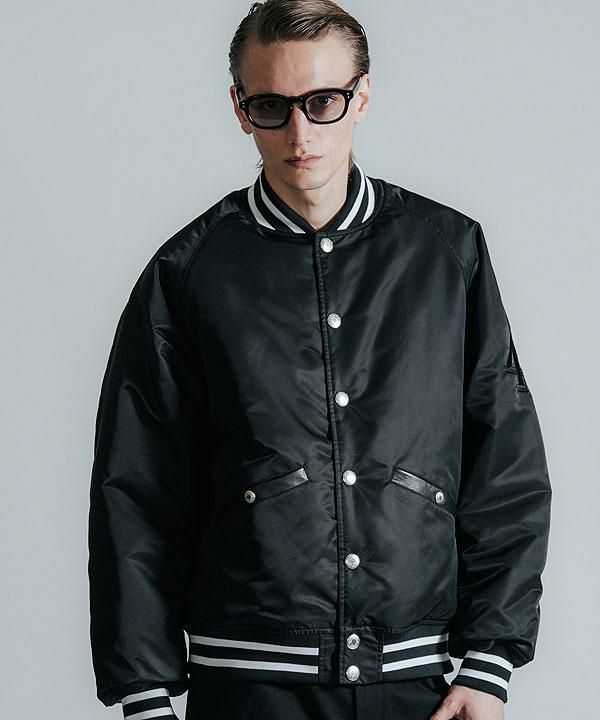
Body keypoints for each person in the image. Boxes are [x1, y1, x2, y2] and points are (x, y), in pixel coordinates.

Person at [87, 2, 552, 719]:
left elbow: (505, 464)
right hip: (247, 687)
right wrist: (145, 695)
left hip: (415, 687)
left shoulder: (445, 254)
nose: (300, 134)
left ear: (362, 97)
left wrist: (490, 662)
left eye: (323, 102)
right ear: (240, 109)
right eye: (272, 107)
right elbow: (137, 490)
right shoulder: (189, 272)